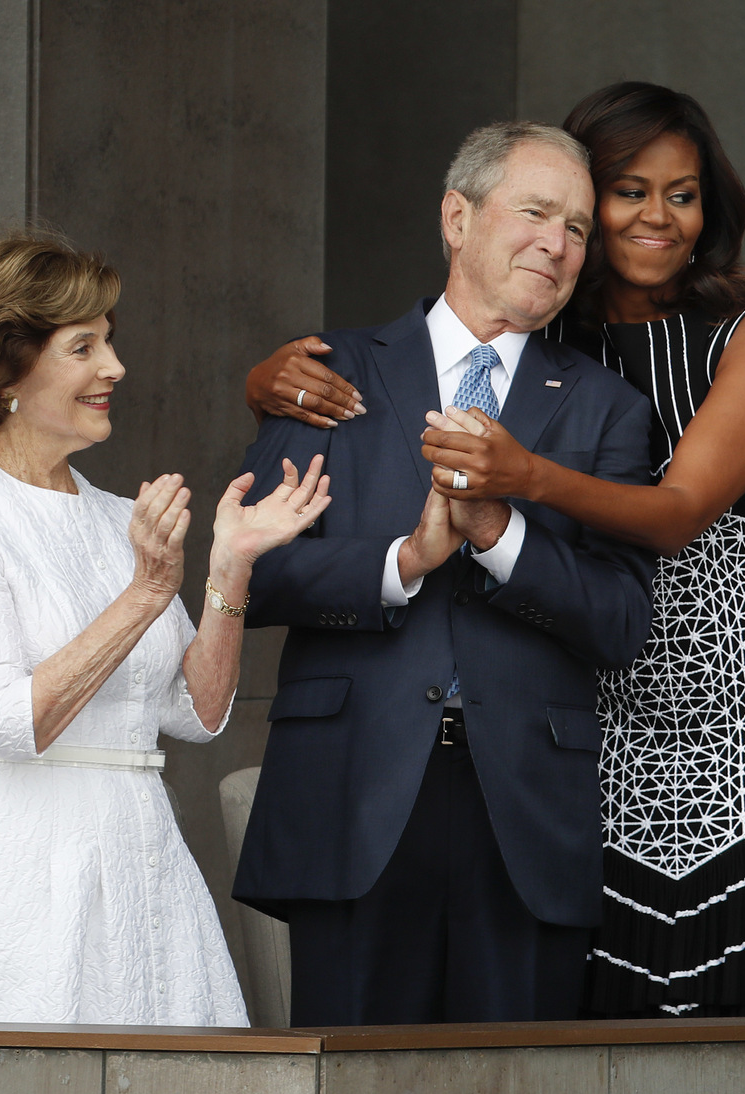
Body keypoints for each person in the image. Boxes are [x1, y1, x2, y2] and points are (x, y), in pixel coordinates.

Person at [249, 83, 745, 1017]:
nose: (653, 216)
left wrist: (515, 495)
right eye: (622, 195)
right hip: (607, 721)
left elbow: (674, 513)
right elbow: (294, 512)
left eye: (682, 194)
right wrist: (267, 385)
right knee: (627, 987)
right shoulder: (538, 325)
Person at [229, 121, 656, 1027]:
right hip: (353, 792)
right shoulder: (326, 374)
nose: (559, 242)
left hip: (527, 812)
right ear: (456, 218)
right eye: (537, 211)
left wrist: (501, 534)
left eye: (579, 228)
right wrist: (401, 562)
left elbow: (622, 622)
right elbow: (254, 576)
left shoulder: (609, 408)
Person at [0, 231, 329, 1026]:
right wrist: (148, 590)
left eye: (109, 342)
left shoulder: (120, 517)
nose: (114, 367)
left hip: (142, 853)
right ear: (8, 368)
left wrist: (228, 570)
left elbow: (197, 714)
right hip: (14, 874)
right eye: (83, 346)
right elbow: (10, 723)